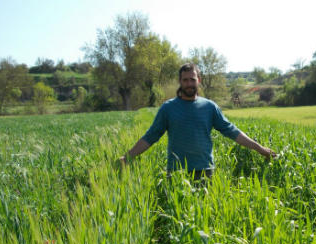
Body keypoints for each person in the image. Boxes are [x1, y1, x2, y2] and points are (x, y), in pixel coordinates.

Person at [117, 63, 276, 179]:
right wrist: (127, 157)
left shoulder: (209, 107)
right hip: (177, 172)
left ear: (198, 80)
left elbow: (232, 131)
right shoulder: (168, 108)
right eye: (185, 80)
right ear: (180, 81)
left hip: (205, 171)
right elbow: (150, 136)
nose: (189, 84)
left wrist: (260, 148)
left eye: (192, 79)